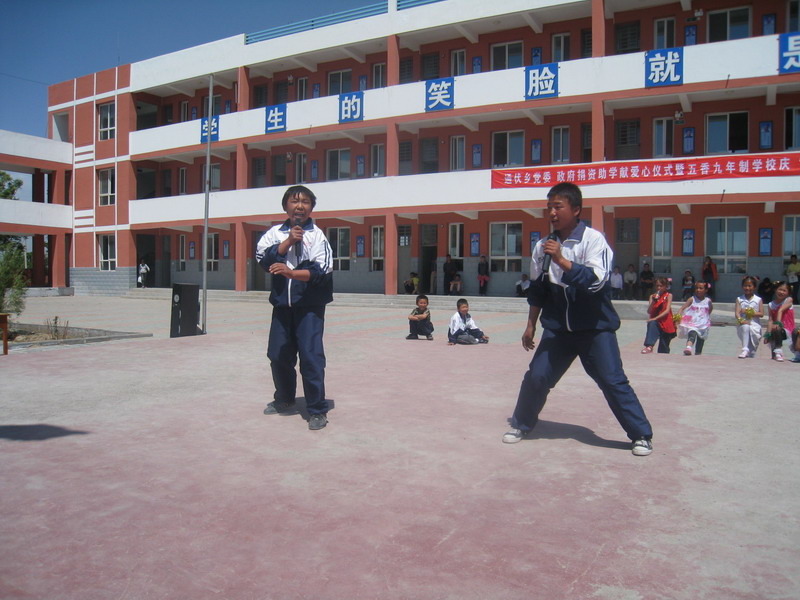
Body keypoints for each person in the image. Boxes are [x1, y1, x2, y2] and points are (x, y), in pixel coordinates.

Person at [503, 182, 653, 457]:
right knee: (537, 376)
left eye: (558, 206)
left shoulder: (594, 240)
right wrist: (530, 325)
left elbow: (596, 283)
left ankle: (641, 434)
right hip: (558, 330)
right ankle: (521, 424)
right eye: (549, 207)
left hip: (594, 328)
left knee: (612, 380)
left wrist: (561, 260)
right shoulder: (542, 247)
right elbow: (538, 290)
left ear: (576, 209)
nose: (552, 213)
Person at [255, 185, 334, 431]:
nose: (300, 206)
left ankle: (317, 409)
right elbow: (262, 260)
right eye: (294, 201)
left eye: (305, 202)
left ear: (311, 208)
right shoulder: (274, 233)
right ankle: (285, 398)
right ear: (285, 206)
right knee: (278, 354)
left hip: (309, 308)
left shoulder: (318, 236)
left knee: (311, 357)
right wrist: (288, 241)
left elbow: (321, 271)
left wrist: (291, 273)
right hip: (282, 306)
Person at [676, 281, 712, 356]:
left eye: (701, 288)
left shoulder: (708, 301)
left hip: (703, 324)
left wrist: (705, 317)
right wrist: (678, 317)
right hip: (692, 323)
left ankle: (698, 353)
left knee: (701, 339)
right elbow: (682, 308)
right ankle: (688, 347)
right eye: (696, 288)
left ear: (706, 290)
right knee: (692, 334)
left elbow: (710, 309)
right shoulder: (692, 299)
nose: (698, 290)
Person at [641, 277, 676, 354]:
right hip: (656, 322)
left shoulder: (668, 295)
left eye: (661, 286)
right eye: (657, 286)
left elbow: (667, 311)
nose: (659, 288)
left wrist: (655, 318)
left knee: (663, 348)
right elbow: (649, 311)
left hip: (666, 322)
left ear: (665, 286)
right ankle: (649, 346)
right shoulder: (652, 296)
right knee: (652, 323)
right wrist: (653, 302)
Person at [764, 280, 795, 362]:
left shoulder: (788, 300)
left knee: (777, 328)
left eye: (784, 290)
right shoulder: (771, 304)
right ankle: (775, 354)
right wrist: (767, 334)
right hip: (776, 328)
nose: (781, 292)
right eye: (780, 289)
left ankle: (779, 351)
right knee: (774, 330)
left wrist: (778, 323)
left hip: (788, 327)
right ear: (775, 290)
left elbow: (780, 310)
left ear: (788, 293)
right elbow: (770, 320)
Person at [735, 275, 763, 359]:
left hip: (755, 324)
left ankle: (750, 354)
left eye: (749, 286)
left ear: (754, 287)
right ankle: (744, 349)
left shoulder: (758, 299)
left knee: (753, 348)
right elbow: (737, 313)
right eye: (745, 286)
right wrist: (741, 320)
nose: (747, 288)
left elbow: (761, 313)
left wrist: (749, 312)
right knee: (746, 327)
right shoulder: (739, 299)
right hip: (743, 323)